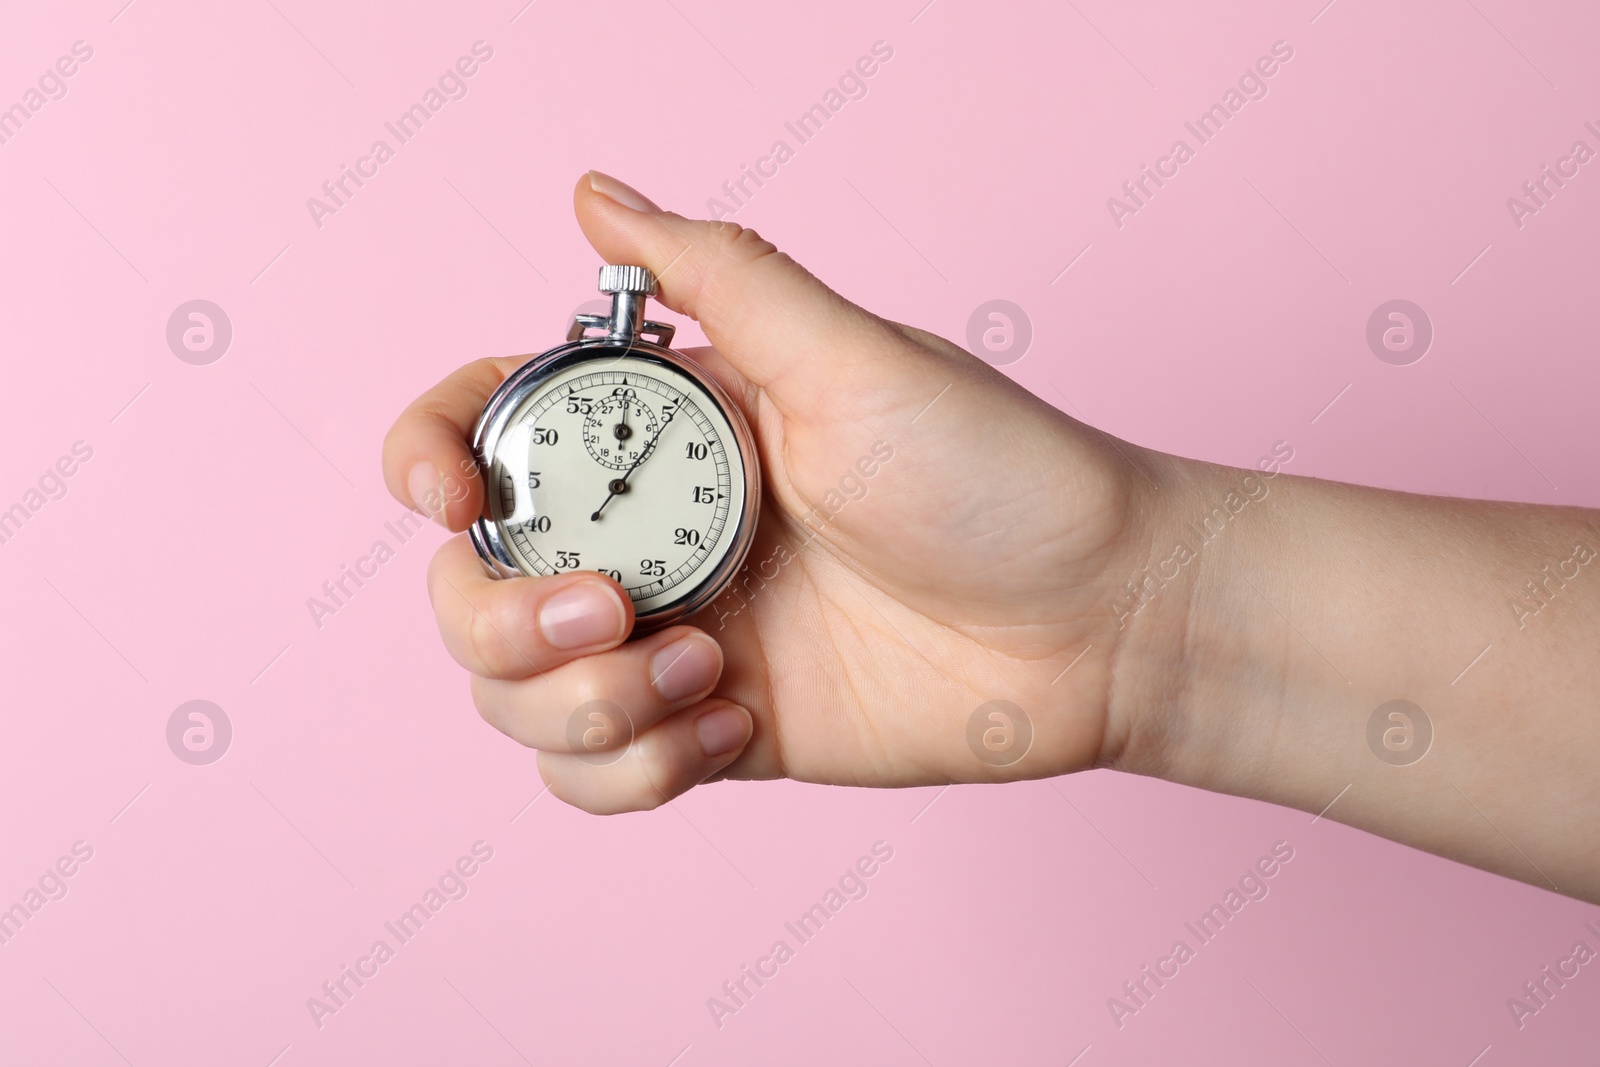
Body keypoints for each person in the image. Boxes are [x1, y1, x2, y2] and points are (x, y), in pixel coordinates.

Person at [382, 171, 1600, 904]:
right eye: (610, 461)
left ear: (685, 434)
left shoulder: (718, 453)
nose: (615, 494)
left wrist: (1142, 614)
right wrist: (1136, 611)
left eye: (648, 458)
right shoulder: (599, 440)